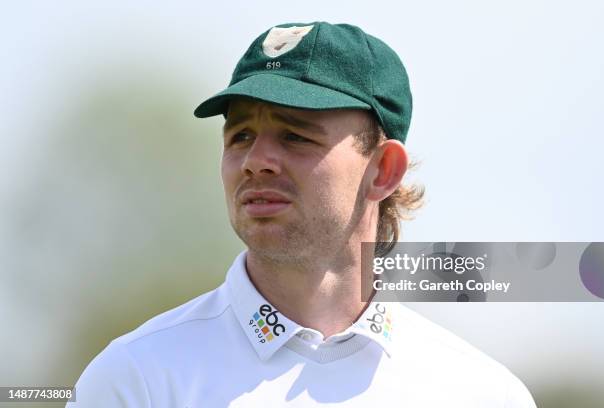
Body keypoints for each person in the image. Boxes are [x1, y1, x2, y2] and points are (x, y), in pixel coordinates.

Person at [68, 22, 536, 407]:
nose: (255, 160)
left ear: (383, 170)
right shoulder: (136, 380)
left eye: (295, 135)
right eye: (240, 136)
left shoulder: (483, 393)